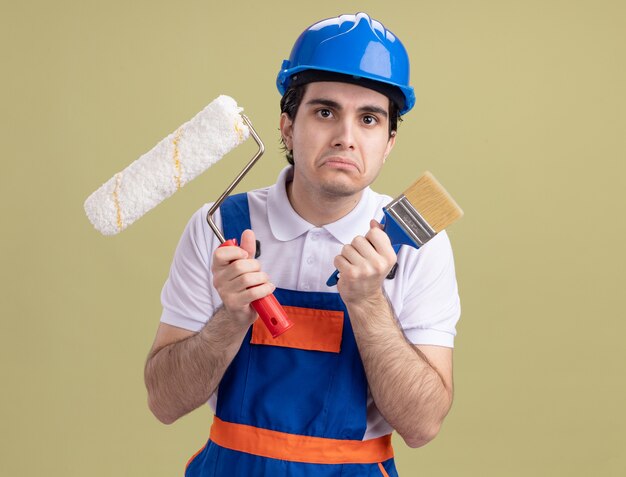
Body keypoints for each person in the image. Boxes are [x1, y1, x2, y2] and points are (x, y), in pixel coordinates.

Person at [144, 12, 460, 477]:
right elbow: (164, 403)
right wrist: (230, 320)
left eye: (369, 119)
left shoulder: (416, 245)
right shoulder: (219, 230)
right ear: (288, 126)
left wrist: (369, 302)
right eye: (325, 111)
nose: (345, 138)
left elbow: (422, 425)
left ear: (389, 141)